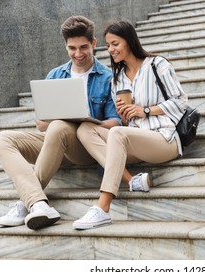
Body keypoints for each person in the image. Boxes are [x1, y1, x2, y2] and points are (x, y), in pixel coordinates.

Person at [0, 15, 121, 230]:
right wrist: (51, 120)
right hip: (53, 142)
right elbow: (41, 124)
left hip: (84, 148)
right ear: (65, 46)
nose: (78, 54)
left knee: (61, 126)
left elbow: (115, 122)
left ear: (94, 44)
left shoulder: (108, 77)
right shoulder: (55, 75)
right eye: (72, 48)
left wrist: (85, 123)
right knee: (1, 139)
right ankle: (38, 203)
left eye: (83, 47)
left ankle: (26, 202)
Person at [73, 19, 188, 230]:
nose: (111, 50)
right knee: (86, 129)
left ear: (129, 40)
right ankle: (132, 181)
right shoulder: (117, 80)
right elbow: (125, 122)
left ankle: (103, 208)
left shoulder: (157, 65)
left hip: (164, 138)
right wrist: (124, 114)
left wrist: (144, 110)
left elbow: (181, 101)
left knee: (117, 133)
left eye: (115, 43)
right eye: (108, 46)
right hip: (133, 138)